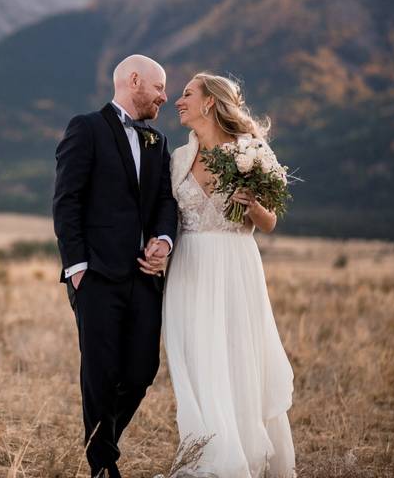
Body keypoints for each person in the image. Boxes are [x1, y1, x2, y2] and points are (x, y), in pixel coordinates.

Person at [163, 72, 296, 478]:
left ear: (208, 102)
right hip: (188, 269)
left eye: (186, 94)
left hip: (235, 266)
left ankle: (242, 457)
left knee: (238, 357)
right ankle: (207, 454)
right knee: (196, 361)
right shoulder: (178, 160)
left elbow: (269, 221)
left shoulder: (251, 150)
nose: (177, 101)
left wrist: (253, 206)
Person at [53, 54, 179, 478]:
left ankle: (101, 444)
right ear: (135, 80)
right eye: (160, 87)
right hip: (97, 277)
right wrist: (77, 268)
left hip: (144, 278)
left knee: (142, 371)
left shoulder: (157, 142)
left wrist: (163, 240)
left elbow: (165, 199)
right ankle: (103, 465)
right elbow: (66, 200)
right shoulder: (85, 128)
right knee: (100, 372)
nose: (165, 96)